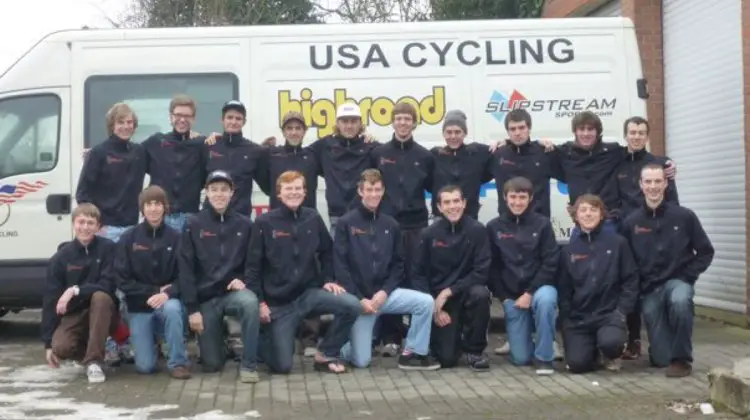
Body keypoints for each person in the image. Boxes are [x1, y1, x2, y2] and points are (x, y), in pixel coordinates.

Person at [246, 170, 361, 374]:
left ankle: (326, 353)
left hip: (308, 296)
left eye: (298, 188)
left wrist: (327, 279)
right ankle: (264, 339)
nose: (294, 193)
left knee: (351, 305)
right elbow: (253, 267)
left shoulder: (313, 218)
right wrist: (261, 303)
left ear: (305, 192)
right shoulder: (265, 223)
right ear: (279, 193)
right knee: (282, 366)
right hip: (278, 305)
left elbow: (327, 251)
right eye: (288, 189)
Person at [335, 169, 440, 370]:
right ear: (360, 191)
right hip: (361, 302)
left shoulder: (391, 224)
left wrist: (385, 291)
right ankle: (343, 347)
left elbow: (398, 264)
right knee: (361, 361)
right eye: (369, 189)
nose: (373, 194)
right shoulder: (346, 223)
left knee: (425, 302)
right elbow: (340, 266)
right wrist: (359, 299)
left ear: (383, 191)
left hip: (384, 297)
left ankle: (413, 352)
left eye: (377, 189)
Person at [621, 164, 714, 377]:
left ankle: (682, 360)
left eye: (657, 181)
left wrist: (688, 276)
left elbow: (706, 251)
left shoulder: (685, 217)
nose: (653, 186)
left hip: (678, 281)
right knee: (661, 360)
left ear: (665, 183)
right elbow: (628, 263)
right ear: (641, 185)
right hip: (650, 289)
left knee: (680, 300)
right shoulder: (632, 222)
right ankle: (663, 348)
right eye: (648, 182)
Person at [487, 110, 563, 360]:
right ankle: (515, 336)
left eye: (522, 128)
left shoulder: (544, 153)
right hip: (508, 228)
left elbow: (578, 162)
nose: (518, 132)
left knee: (543, 291)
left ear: (529, 128)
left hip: (537, 225)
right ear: (507, 131)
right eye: (513, 129)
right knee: (510, 276)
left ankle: (549, 341)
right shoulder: (498, 155)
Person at [178, 170, 261, 383]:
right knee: (211, 365)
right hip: (206, 299)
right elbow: (185, 269)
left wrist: (244, 279)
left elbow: (254, 262)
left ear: (232, 193)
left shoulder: (245, 224)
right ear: (206, 192)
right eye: (214, 189)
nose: (219, 194)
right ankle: (219, 340)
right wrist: (193, 310)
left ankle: (249, 364)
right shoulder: (193, 223)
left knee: (250, 302)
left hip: (233, 294)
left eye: (224, 190)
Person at [256, 111, 323, 357]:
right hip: (278, 227)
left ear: (304, 131)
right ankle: (279, 328)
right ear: (283, 131)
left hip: (307, 224)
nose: (294, 132)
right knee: (279, 277)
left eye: (298, 128)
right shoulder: (271, 156)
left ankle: (309, 339)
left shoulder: (313, 156)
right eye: (289, 128)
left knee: (310, 277)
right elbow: (264, 182)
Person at [370, 102, 434, 356]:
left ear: (415, 123)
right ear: (393, 122)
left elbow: (433, 186)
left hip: (416, 225)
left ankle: (414, 337)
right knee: (389, 277)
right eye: (399, 118)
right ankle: (391, 336)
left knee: (414, 276)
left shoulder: (425, 155)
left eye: (408, 119)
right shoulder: (379, 153)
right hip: (387, 225)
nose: (403, 123)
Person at [614, 116, 680, 360]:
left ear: (648, 136)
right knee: (631, 284)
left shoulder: (660, 166)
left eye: (641, 132)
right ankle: (634, 338)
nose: (637, 136)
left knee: (656, 285)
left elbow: (673, 203)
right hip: (627, 233)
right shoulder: (617, 163)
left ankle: (665, 336)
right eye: (632, 132)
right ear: (626, 135)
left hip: (655, 235)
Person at [114, 186, 190, 379]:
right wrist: (154, 290)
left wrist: (167, 293)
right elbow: (122, 280)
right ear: (142, 208)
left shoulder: (177, 237)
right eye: (149, 204)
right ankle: (153, 342)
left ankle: (178, 363)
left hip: (167, 300)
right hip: (140, 304)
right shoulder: (129, 238)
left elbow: (186, 276)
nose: (154, 209)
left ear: (165, 208)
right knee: (145, 367)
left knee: (173, 310)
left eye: (158, 204)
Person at [413, 185, 492, 370]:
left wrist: (450, 291)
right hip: (440, 303)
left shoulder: (478, 230)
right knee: (447, 360)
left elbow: (481, 272)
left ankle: (475, 350)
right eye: (447, 202)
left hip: (466, 293)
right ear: (439, 207)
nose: (452, 206)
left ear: (464, 203)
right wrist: (433, 306)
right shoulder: (428, 234)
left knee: (481, 294)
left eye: (456, 201)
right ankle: (452, 341)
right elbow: (418, 274)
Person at [558, 194, 639, 373]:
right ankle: (591, 351)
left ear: (601, 214)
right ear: (576, 215)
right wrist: (567, 318)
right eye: (583, 210)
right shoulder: (568, 250)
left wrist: (621, 312)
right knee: (577, 365)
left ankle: (611, 352)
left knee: (611, 343)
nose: (588, 214)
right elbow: (564, 289)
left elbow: (630, 281)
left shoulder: (618, 243)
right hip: (580, 318)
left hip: (609, 315)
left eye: (593, 210)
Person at [487, 177, 559, 375]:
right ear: (504, 197)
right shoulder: (494, 227)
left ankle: (545, 357)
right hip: (511, 295)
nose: (517, 202)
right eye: (513, 197)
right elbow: (491, 267)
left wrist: (530, 293)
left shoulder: (542, 224)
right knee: (521, 359)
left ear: (530, 198)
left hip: (539, 288)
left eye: (522, 197)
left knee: (546, 301)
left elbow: (550, 262)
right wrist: (504, 297)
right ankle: (527, 341)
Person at [41, 203, 118, 383]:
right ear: (73, 224)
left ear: (98, 227)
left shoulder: (109, 249)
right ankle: (88, 355)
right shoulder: (61, 258)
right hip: (75, 314)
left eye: (90, 223)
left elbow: (108, 283)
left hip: (104, 312)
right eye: (81, 222)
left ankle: (94, 362)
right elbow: (51, 299)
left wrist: (75, 290)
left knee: (100, 297)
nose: (85, 227)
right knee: (60, 347)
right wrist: (47, 343)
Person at [75, 102, 147, 242]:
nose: (126, 126)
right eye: (120, 122)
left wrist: (192, 136)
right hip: (106, 230)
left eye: (129, 122)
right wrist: (97, 225)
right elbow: (82, 194)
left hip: (132, 228)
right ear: (112, 125)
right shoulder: (98, 153)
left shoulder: (140, 153)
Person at [307, 103, 379, 235]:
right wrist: (266, 151)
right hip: (337, 217)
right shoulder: (324, 146)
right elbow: (297, 156)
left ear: (360, 124)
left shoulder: (370, 146)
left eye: (353, 121)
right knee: (337, 255)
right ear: (337, 124)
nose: (349, 126)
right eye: (344, 121)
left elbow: (391, 153)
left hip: (365, 217)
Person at [141, 95, 207, 232]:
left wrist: (216, 137)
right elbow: (130, 154)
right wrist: (96, 152)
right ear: (171, 117)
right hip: (160, 218)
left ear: (193, 119)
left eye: (187, 116)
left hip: (190, 218)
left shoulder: (202, 144)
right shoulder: (156, 142)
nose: (182, 120)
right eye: (178, 115)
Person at [204, 100, 266, 217]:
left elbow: (267, 187)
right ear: (222, 120)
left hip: (241, 220)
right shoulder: (209, 146)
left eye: (238, 118)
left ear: (244, 122)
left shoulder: (254, 151)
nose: (233, 122)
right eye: (229, 117)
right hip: (210, 219)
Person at [430, 110, 493, 220]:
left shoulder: (478, 152)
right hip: (441, 219)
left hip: (469, 218)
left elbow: (504, 152)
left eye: (457, 132)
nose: (453, 136)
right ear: (443, 133)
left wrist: (503, 142)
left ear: (465, 133)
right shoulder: (434, 155)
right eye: (449, 132)